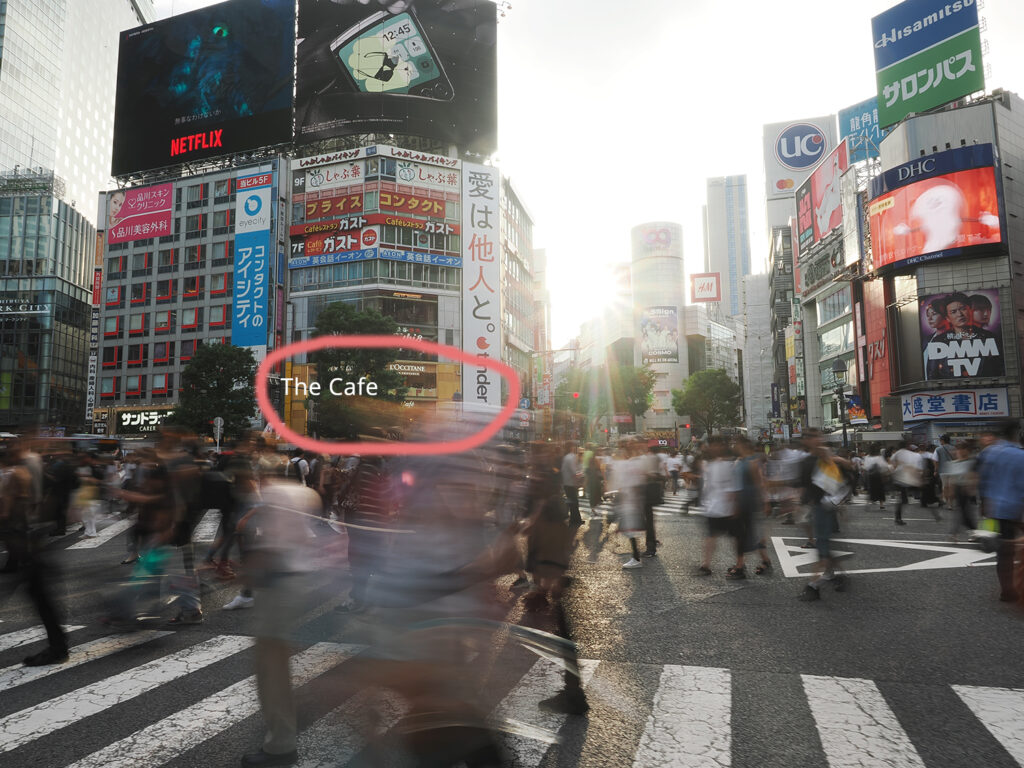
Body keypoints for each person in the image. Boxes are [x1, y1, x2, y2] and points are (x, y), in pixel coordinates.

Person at [0, 442, 69, 666]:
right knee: (37, 594)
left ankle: (58, 646)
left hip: (23, 543)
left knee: (38, 595)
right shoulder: (31, 474)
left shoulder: (15, 476)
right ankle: (58, 644)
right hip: (29, 543)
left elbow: (6, 512)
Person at [796, 429, 852, 602]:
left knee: (822, 545)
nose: (812, 440)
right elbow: (804, 485)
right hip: (818, 507)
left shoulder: (825, 457)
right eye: (808, 437)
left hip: (825, 507)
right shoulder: (807, 460)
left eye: (814, 436)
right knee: (823, 544)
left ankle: (813, 585)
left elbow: (845, 472)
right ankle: (834, 575)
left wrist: (834, 459)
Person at [975, 419, 1024, 603]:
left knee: (1003, 551)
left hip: (993, 508)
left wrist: (983, 504)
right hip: (1016, 508)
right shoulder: (1020, 456)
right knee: (1012, 547)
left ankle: (1007, 590)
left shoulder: (989, 453)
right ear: (1016, 432)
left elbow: (981, 480)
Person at [730, 437, 772, 579]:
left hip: (749, 503)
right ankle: (762, 560)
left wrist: (765, 502)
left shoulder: (752, 462)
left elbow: (760, 483)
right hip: (743, 501)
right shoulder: (739, 461)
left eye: (737, 444)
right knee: (746, 534)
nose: (735, 446)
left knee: (745, 534)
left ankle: (741, 565)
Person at [695, 437, 737, 576]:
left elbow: (734, 484)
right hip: (712, 506)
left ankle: (739, 564)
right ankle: (705, 565)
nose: (714, 448)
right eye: (712, 445)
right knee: (710, 536)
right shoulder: (710, 464)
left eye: (717, 445)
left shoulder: (731, 463)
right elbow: (708, 484)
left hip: (729, 507)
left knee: (735, 537)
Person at [890, 441, 923, 526]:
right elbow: (915, 466)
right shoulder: (910, 454)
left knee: (902, 499)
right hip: (906, 479)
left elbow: (892, 464)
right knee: (902, 500)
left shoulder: (896, 454)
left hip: (898, 480)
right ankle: (898, 518)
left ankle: (898, 518)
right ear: (907, 446)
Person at [560, 443, 583, 527]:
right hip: (571, 483)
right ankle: (575, 520)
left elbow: (563, 470)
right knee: (574, 502)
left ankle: (575, 519)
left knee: (572, 501)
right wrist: (581, 475)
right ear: (571, 447)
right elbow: (574, 471)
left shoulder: (566, 457)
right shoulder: (571, 457)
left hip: (567, 483)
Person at [863, 444, 889, 512]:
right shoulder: (879, 457)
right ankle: (881, 505)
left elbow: (865, 467)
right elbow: (884, 466)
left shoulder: (867, 457)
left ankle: (868, 503)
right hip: (878, 476)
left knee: (871, 490)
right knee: (880, 490)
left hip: (870, 476)